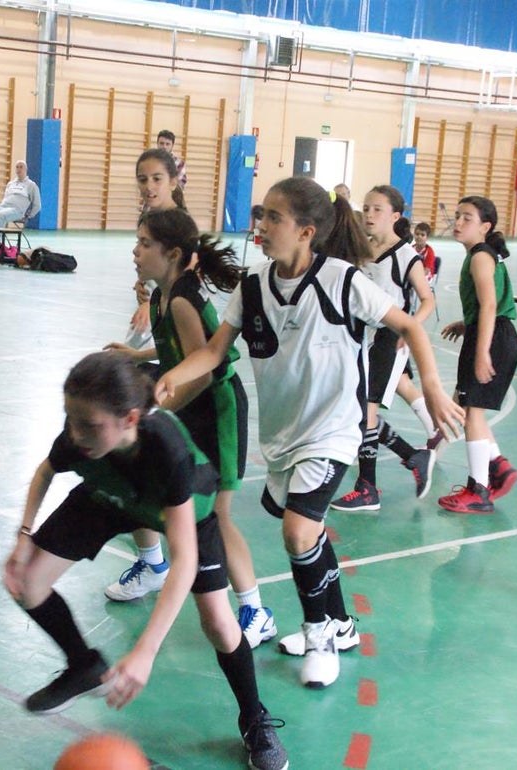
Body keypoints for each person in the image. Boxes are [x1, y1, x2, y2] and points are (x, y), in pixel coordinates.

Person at [157, 177, 463, 688]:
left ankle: (320, 636)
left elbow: (409, 325)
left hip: (334, 429)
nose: (262, 226)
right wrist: (172, 377)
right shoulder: (253, 286)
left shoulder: (343, 280)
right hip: (284, 434)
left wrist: (430, 386)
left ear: (306, 231)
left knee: (298, 532)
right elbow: (213, 351)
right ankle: (341, 623)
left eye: (274, 218)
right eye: (262, 215)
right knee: (311, 533)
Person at [3, 351, 288, 770]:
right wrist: (24, 536)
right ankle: (83, 666)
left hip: (182, 510)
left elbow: (184, 560)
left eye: (90, 425)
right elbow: (46, 472)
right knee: (26, 581)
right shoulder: (81, 436)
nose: (76, 434)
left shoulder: (165, 449)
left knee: (219, 623)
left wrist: (145, 651)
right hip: (110, 496)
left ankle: (254, 719)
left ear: (130, 419)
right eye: (71, 420)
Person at [105, 207, 276, 648]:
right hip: (190, 407)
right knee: (150, 487)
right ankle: (154, 566)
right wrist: (137, 356)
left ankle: (256, 610)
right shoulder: (161, 296)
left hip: (217, 411)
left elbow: (201, 369)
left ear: (172, 253)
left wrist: (158, 413)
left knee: (217, 516)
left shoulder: (181, 299)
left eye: (145, 243)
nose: (136, 251)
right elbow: (177, 350)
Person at [108, 148, 187, 603]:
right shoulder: (150, 222)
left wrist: (152, 303)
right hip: (162, 351)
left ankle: (247, 603)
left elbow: (190, 322)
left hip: (184, 372)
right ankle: (153, 562)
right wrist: (146, 297)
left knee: (200, 504)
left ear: (173, 180)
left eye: (156, 178)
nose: (149, 186)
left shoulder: (181, 232)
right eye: (142, 179)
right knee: (130, 456)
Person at [331, 185, 437, 511]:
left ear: (395, 216)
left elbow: (428, 299)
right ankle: (413, 455)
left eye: (377, 209)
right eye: (366, 208)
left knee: (367, 410)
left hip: (387, 338)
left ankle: (368, 488)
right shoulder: (360, 250)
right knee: (358, 412)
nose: (369, 214)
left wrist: (411, 326)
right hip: (358, 338)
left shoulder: (406, 256)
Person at [438, 197, 517, 513]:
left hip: (493, 338)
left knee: (472, 413)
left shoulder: (480, 257)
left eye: (467, 218)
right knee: (475, 410)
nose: (458, 222)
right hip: (494, 333)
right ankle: (498, 467)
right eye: (457, 216)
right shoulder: (481, 255)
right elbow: (489, 304)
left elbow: (489, 305)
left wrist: (483, 351)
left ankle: (479, 490)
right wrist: (467, 324)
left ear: (485, 226)